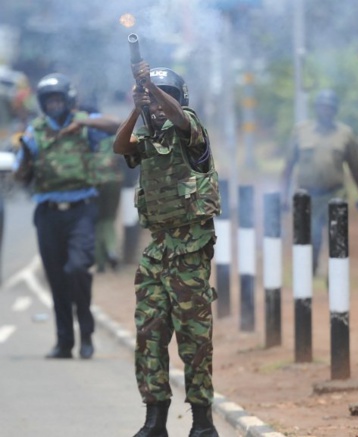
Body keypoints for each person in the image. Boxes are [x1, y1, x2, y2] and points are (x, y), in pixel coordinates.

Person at [113, 62, 221, 437]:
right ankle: (154, 419)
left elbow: (176, 115)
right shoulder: (146, 139)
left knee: (194, 340)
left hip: (190, 252)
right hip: (157, 254)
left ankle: (203, 423)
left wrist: (152, 91)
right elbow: (118, 146)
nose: (159, 108)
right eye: (153, 103)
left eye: (166, 100)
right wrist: (136, 106)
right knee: (149, 336)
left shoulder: (192, 134)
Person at [13, 72, 119, 360]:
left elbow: (117, 126)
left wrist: (82, 121)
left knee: (77, 270)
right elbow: (21, 175)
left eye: (59, 99)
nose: (54, 105)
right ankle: (64, 343)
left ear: (68, 100)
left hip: (81, 211)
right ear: (42, 104)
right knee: (57, 279)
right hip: (47, 214)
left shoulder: (85, 125)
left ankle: (86, 335)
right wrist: (23, 154)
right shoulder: (35, 132)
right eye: (49, 101)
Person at [281, 89, 358, 275]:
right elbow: (288, 166)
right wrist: (284, 196)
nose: (325, 111)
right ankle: (309, 272)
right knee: (310, 238)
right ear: (316, 108)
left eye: (329, 107)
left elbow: (355, 168)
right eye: (322, 107)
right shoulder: (301, 131)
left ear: (335, 109)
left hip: (335, 194)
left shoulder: (345, 134)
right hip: (307, 196)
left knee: (337, 236)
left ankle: (335, 275)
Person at [79, 101, 122, 273]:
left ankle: (100, 263)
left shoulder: (84, 134)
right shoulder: (111, 134)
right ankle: (112, 250)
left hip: (94, 182)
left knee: (96, 222)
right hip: (114, 181)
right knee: (109, 220)